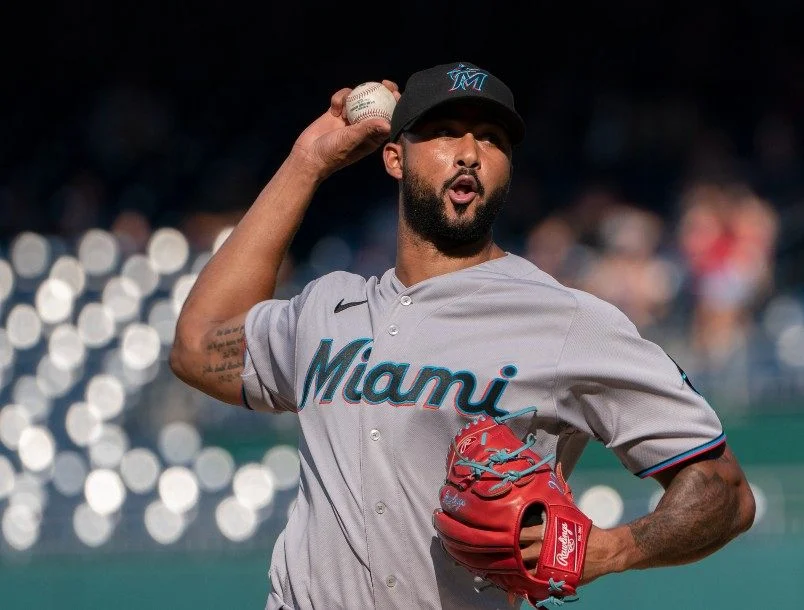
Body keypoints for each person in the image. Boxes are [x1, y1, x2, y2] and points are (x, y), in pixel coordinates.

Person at [170, 61, 755, 610]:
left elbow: (725, 490)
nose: (470, 153)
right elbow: (196, 345)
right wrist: (307, 161)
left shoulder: (565, 321)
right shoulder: (326, 308)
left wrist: (607, 549)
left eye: (492, 139)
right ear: (395, 157)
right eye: (445, 131)